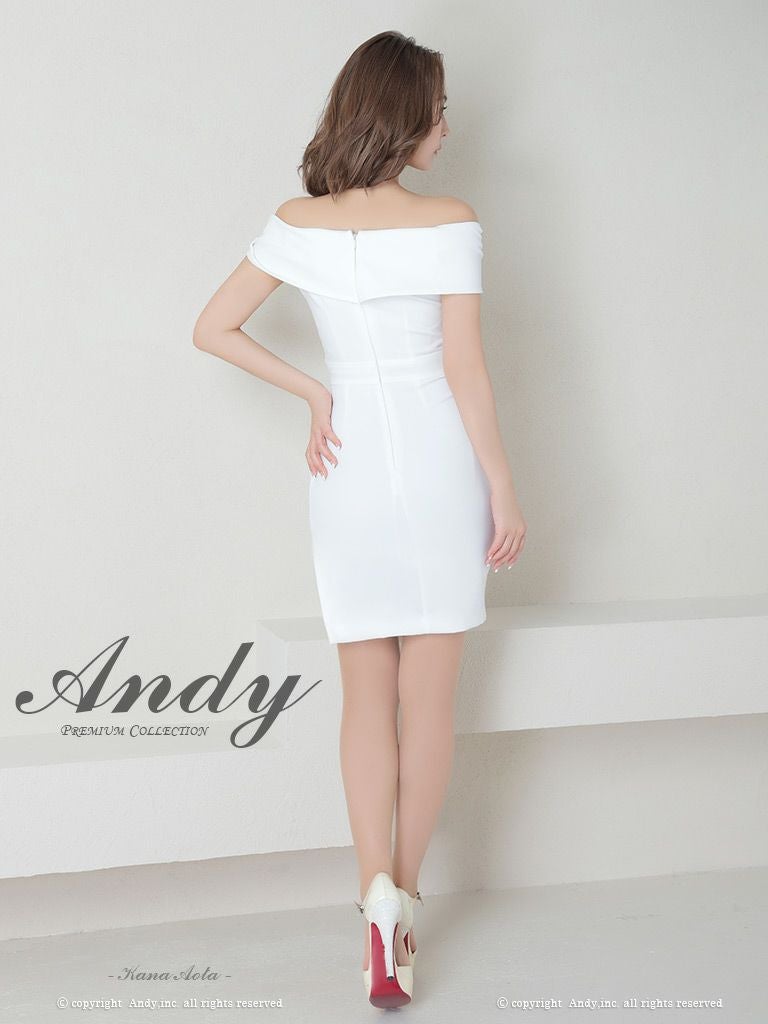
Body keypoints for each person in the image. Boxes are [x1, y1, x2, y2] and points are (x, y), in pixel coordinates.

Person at [193, 29, 526, 1008]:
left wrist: (315, 391)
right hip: (438, 468)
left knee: (363, 696)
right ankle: (405, 899)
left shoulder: (297, 222)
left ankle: (370, 891)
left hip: (346, 474)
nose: (447, 127)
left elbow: (211, 327)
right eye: (439, 110)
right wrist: (504, 486)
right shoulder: (451, 220)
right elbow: (464, 371)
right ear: (406, 115)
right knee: (431, 700)